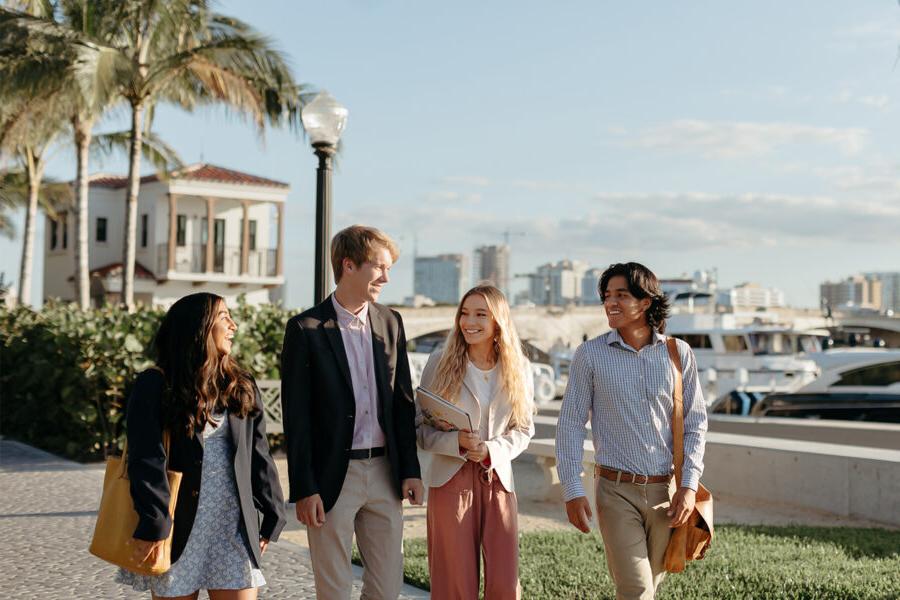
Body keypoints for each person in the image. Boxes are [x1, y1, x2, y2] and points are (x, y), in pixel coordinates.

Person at [280, 225, 423, 600]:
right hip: (331, 479)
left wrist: (410, 469)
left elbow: (403, 402)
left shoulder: (391, 323)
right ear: (348, 265)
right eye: (379, 267)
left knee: (387, 587)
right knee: (335, 589)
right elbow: (296, 418)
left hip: (384, 474)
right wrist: (304, 488)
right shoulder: (305, 329)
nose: (387, 278)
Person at [117, 292, 286, 599]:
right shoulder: (156, 384)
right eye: (224, 318)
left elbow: (258, 453)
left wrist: (272, 512)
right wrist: (154, 522)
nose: (233, 325)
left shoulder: (240, 384)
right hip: (177, 526)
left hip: (231, 527)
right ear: (199, 327)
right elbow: (147, 459)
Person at [555, 262, 708, 600]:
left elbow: (696, 424)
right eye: (607, 296)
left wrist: (688, 485)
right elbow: (570, 424)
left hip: (665, 495)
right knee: (636, 589)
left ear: (646, 302)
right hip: (615, 491)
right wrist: (571, 487)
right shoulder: (590, 355)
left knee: (648, 588)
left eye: (621, 295)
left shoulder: (678, 353)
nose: (611, 303)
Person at [416, 284, 535, 600]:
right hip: (450, 479)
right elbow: (419, 428)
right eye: (464, 314)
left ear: (498, 320)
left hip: (498, 479)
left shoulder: (519, 368)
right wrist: (454, 442)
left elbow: (523, 429)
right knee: (454, 581)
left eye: (480, 314)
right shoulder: (439, 363)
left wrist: (491, 450)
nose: (469, 322)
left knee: (504, 584)